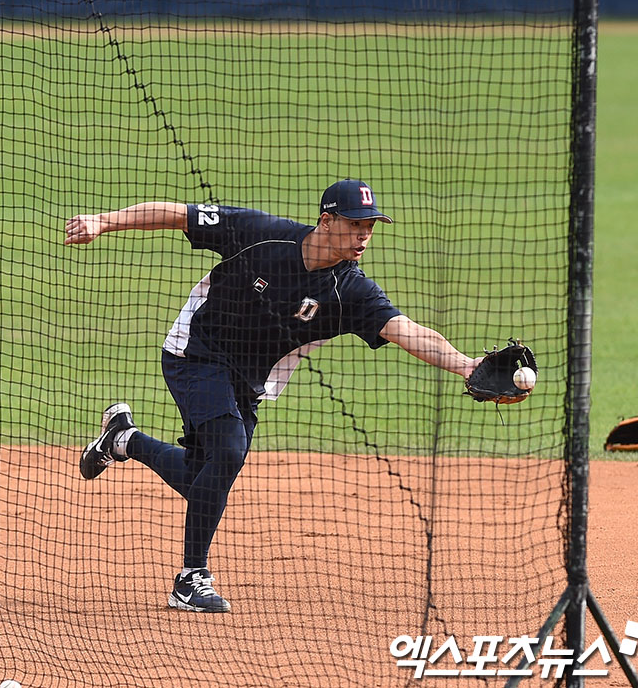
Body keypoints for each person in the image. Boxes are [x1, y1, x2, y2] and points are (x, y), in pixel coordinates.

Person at [64, 179, 482, 613]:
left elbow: (407, 331)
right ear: (327, 220)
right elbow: (178, 213)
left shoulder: (352, 292)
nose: (364, 236)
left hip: (248, 381)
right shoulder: (261, 232)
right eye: (356, 224)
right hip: (195, 351)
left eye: (371, 226)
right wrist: (102, 221)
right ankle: (191, 579)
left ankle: (124, 439)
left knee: (202, 478)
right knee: (228, 450)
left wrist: (467, 365)